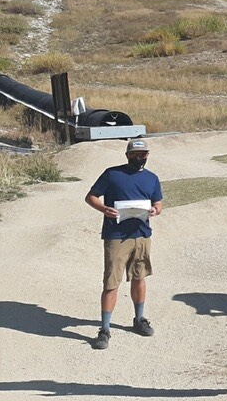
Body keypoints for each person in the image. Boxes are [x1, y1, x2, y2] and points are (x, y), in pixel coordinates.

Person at [85, 139, 163, 351]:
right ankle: (104, 329)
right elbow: (91, 197)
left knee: (139, 277)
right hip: (116, 236)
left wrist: (155, 210)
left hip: (142, 235)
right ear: (127, 155)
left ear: (147, 155)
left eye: (143, 154)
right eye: (135, 154)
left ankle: (139, 319)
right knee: (111, 282)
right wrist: (104, 209)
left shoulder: (152, 178)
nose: (139, 158)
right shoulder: (112, 174)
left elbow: (158, 203)